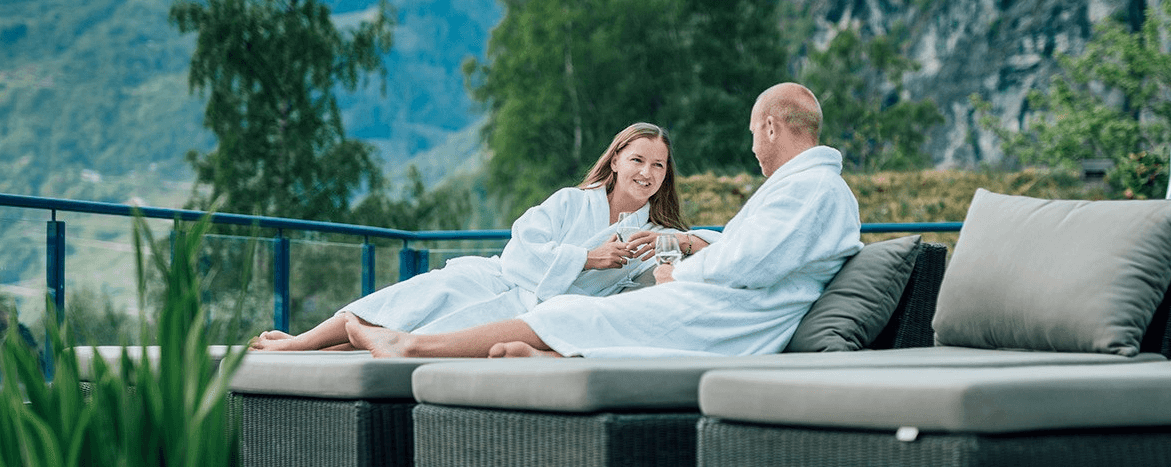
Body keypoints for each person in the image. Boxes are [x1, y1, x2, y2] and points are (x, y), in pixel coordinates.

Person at [345, 82, 862, 358]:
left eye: (752, 134)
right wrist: (686, 249)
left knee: (572, 315)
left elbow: (748, 262)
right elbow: (751, 255)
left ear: (769, 126)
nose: (753, 147)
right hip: (723, 306)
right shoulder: (806, 189)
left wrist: (678, 271)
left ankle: (411, 345)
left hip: (726, 318)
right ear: (615, 160)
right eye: (637, 160)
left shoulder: (811, 189)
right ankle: (545, 361)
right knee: (539, 303)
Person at [249, 122, 715, 351]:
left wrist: (680, 244)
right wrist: (587, 257)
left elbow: (716, 251)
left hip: (547, 312)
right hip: (506, 280)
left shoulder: (654, 236)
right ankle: (301, 342)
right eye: (638, 160)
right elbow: (521, 247)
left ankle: (354, 342)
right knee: (433, 289)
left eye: (658, 165)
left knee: (434, 327)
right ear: (615, 161)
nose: (647, 172)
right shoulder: (572, 202)